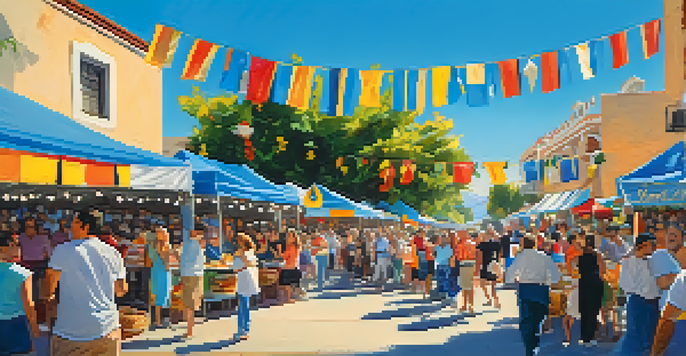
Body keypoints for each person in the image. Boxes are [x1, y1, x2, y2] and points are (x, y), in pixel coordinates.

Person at [46, 209, 128, 355]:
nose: (70, 226)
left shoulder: (61, 250)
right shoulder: (113, 252)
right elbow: (121, 290)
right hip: (107, 329)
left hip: (70, 330)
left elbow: (48, 288)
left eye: (74, 222)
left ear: (86, 227)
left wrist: (50, 300)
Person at [506, 235, 562, 356]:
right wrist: (550, 282)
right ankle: (535, 345)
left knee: (526, 320)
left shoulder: (520, 257)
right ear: (535, 244)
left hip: (525, 288)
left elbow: (510, 274)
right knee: (539, 319)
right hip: (541, 289)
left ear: (523, 244)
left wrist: (513, 279)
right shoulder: (543, 256)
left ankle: (529, 349)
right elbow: (556, 275)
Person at [614, 233, 661, 355]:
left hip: (654, 302)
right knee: (636, 338)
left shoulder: (654, 260)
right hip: (638, 301)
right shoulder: (629, 262)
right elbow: (626, 285)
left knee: (652, 336)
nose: (655, 247)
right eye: (652, 244)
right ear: (642, 245)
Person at [0, 230, 39, 354]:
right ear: (2, 249)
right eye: (15, 244)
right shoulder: (23, 273)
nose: (19, 248)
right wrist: (35, 330)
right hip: (17, 326)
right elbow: (29, 304)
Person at [570, 233, 605, 347]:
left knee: (584, 310)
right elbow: (603, 270)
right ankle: (592, 337)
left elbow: (571, 264)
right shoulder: (598, 255)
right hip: (595, 283)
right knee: (594, 310)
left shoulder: (580, 256)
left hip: (584, 283)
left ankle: (585, 337)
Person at [232, 233, 260, 341]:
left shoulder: (249, 253)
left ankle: (245, 329)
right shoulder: (239, 253)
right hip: (241, 280)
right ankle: (241, 329)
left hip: (246, 280)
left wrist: (242, 255)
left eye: (239, 241)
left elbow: (249, 263)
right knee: (242, 305)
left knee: (244, 305)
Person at [179, 228, 205, 338]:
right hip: (196, 274)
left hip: (185, 273)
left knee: (188, 301)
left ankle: (189, 329)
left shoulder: (185, 244)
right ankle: (190, 330)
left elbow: (178, 255)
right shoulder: (200, 243)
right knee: (193, 302)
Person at [148, 225, 174, 329]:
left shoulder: (151, 245)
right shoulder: (164, 245)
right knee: (163, 294)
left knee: (156, 294)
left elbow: (150, 258)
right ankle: (160, 320)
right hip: (162, 271)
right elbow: (165, 260)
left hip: (155, 270)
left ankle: (156, 319)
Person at [476, 229, 502, 309]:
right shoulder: (483, 244)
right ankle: (490, 299)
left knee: (493, 286)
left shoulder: (495, 243)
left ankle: (496, 301)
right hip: (486, 265)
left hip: (492, 265)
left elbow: (500, 253)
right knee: (483, 284)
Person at [457, 231, 477, 313]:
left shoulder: (468, 243)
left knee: (468, 287)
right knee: (465, 287)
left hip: (467, 264)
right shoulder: (463, 242)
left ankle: (470, 306)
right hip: (465, 265)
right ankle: (466, 305)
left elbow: (471, 255)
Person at [278, 232, 302, 303]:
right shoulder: (297, 246)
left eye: (290, 236)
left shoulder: (289, 247)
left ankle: (287, 298)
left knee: (286, 285)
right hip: (295, 266)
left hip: (288, 267)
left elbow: (285, 257)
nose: (288, 238)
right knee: (291, 284)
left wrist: (279, 251)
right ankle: (291, 297)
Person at [434, 233, 453, 301]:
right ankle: (441, 294)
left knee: (446, 280)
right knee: (440, 280)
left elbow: (450, 256)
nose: (443, 239)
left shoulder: (449, 247)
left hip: (447, 265)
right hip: (439, 265)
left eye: (444, 238)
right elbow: (435, 256)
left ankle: (446, 294)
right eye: (442, 238)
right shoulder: (436, 247)